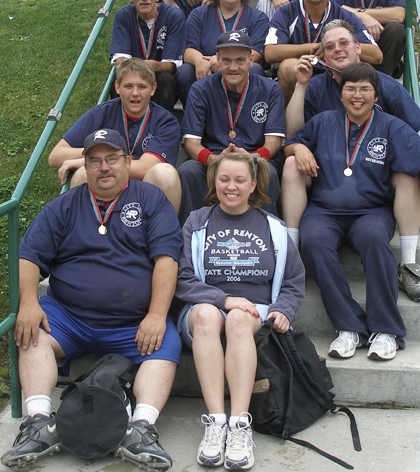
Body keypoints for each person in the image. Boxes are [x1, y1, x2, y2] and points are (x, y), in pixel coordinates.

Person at [1, 129, 183, 470]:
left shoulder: (150, 200)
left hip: (132, 322)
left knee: (166, 346)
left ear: (127, 162)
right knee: (30, 334)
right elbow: (29, 255)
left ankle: (141, 429)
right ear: (84, 165)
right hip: (69, 317)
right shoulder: (65, 205)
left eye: (112, 158)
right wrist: (28, 302)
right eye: (95, 161)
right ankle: (39, 423)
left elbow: (166, 260)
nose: (104, 168)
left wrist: (157, 315)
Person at [284, 63, 420, 361]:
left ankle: (386, 330)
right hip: (324, 211)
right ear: (341, 95)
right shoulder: (324, 121)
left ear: (376, 95)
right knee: (313, 240)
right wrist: (298, 150)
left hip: (371, 211)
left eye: (365, 89)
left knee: (373, 240)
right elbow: (292, 142)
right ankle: (349, 327)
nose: (357, 95)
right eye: (350, 89)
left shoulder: (391, 126)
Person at [282, 19, 420, 301]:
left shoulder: (383, 85)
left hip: (375, 179)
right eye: (330, 47)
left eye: (344, 44)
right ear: (323, 56)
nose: (338, 50)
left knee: (407, 171)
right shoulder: (315, 86)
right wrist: (300, 88)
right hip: (326, 178)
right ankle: (291, 258)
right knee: (291, 163)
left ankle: (409, 264)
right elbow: (293, 135)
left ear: (358, 48)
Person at [176, 152, 305, 469]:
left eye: (239, 180)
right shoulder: (197, 222)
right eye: (223, 179)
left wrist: (284, 309)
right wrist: (223, 299)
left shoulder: (273, 228)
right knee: (210, 315)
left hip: (254, 308)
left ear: (253, 185)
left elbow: (292, 280)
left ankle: (239, 425)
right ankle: (216, 420)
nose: (230, 187)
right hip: (204, 305)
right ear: (213, 182)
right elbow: (182, 278)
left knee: (238, 320)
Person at [178, 30, 285, 226]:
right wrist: (214, 160)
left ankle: (268, 234)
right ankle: (193, 233)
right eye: (226, 60)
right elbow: (191, 143)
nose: (233, 67)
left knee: (267, 171)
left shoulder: (270, 89)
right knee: (188, 170)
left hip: (254, 158)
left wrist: (251, 158)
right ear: (217, 60)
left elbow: (274, 142)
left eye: (240, 60)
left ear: (251, 60)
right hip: (213, 156)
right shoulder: (200, 89)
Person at [48, 58, 182, 213]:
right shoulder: (102, 112)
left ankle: (163, 235)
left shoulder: (166, 121)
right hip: (107, 184)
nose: (135, 93)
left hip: (144, 190)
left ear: (153, 89)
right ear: (117, 87)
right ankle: (85, 234)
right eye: (128, 86)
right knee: (83, 173)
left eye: (142, 87)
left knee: (165, 173)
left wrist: (97, 158)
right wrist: (96, 151)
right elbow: (55, 156)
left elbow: (145, 168)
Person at [263, 0, 382, 104]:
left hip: (335, 69)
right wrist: (314, 47)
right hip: (302, 69)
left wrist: (339, 47)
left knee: (362, 67)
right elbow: (270, 53)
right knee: (288, 67)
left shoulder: (344, 14)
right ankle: (289, 122)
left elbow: (376, 55)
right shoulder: (286, 12)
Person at [177, 0, 269, 107]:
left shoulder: (258, 18)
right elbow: (188, 49)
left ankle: (247, 120)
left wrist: (220, 61)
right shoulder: (199, 14)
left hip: (239, 69)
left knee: (255, 69)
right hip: (206, 70)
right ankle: (195, 119)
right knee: (185, 71)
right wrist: (199, 60)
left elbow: (255, 54)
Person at [109, 0, 186, 112]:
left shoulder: (174, 16)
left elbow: (170, 65)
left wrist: (144, 66)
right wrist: (142, 69)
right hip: (132, 76)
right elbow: (120, 61)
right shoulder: (123, 16)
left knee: (165, 80)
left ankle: (162, 128)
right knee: (119, 82)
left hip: (161, 79)